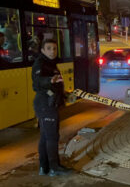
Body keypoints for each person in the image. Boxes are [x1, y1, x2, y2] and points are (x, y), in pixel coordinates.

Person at [32, 39, 70, 176]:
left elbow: (56, 85)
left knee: (45, 137)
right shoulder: (40, 64)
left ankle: (44, 167)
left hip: (49, 103)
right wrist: (49, 80)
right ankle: (54, 167)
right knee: (52, 137)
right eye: (49, 48)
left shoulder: (51, 63)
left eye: (54, 48)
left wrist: (64, 94)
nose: (52, 51)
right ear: (42, 50)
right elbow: (37, 82)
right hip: (45, 105)